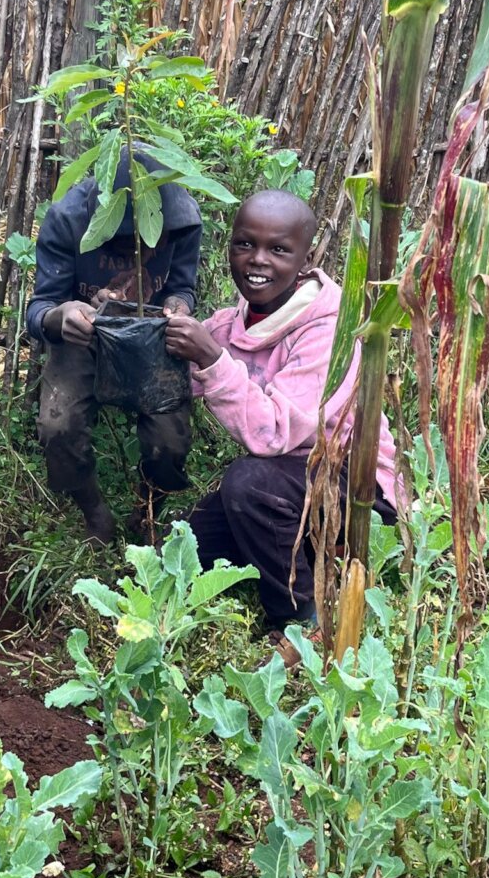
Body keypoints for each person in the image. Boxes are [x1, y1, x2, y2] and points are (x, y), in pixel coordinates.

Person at [165, 189, 398, 652]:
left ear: (306, 258)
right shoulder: (239, 321)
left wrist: (210, 359)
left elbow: (272, 434)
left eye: (278, 249)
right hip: (291, 490)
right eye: (244, 244)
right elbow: (177, 376)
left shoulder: (329, 328)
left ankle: (301, 621)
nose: (257, 260)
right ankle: (293, 566)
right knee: (183, 552)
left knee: (248, 484)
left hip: (357, 493)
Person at [26, 151, 202, 544]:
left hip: (153, 335)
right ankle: (93, 509)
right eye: (121, 242)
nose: (133, 250)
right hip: (87, 337)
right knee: (58, 427)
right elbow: (39, 308)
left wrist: (178, 306)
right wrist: (63, 315)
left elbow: (184, 286)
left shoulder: (182, 218)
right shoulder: (67, 219)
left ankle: (148, 507)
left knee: (170, 442)